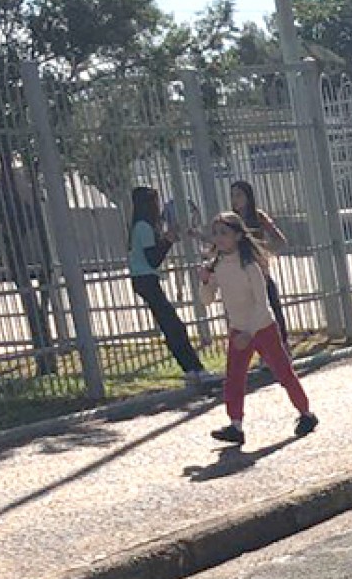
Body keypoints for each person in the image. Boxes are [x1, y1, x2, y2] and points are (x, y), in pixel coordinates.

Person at [201, 213, 317, 451]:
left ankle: (306, 413)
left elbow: (262, 303)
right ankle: (235, 425)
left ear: (238, 235)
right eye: (216, 233)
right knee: (234, 378)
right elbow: (207, 300)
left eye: (224, 232)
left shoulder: (250, 266)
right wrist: (204, 282)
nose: (219, 238)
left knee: (283, 372)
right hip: (238, 329)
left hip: (262, 327)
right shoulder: (218, 266)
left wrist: (249, 333)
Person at [125, 187, 214, 393]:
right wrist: (167, 240)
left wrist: (166, 239)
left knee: (171, 325)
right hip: (146, 278)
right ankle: (194, 369)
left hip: (143, 279)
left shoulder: (138, 226)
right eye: (155, 202)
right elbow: (153, 259)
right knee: (174, 326)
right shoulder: (144, 227)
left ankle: (191, 369)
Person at [227, 180, 289, 340]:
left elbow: (280, 240)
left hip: (260, 271)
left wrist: (260, 249)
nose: (235, 199)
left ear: (248, 197)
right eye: (233, 195)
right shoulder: (230, 221)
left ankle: (282, 344)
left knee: (271, 307)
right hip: (239, 275)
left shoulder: (258, 216)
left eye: (239, 195)